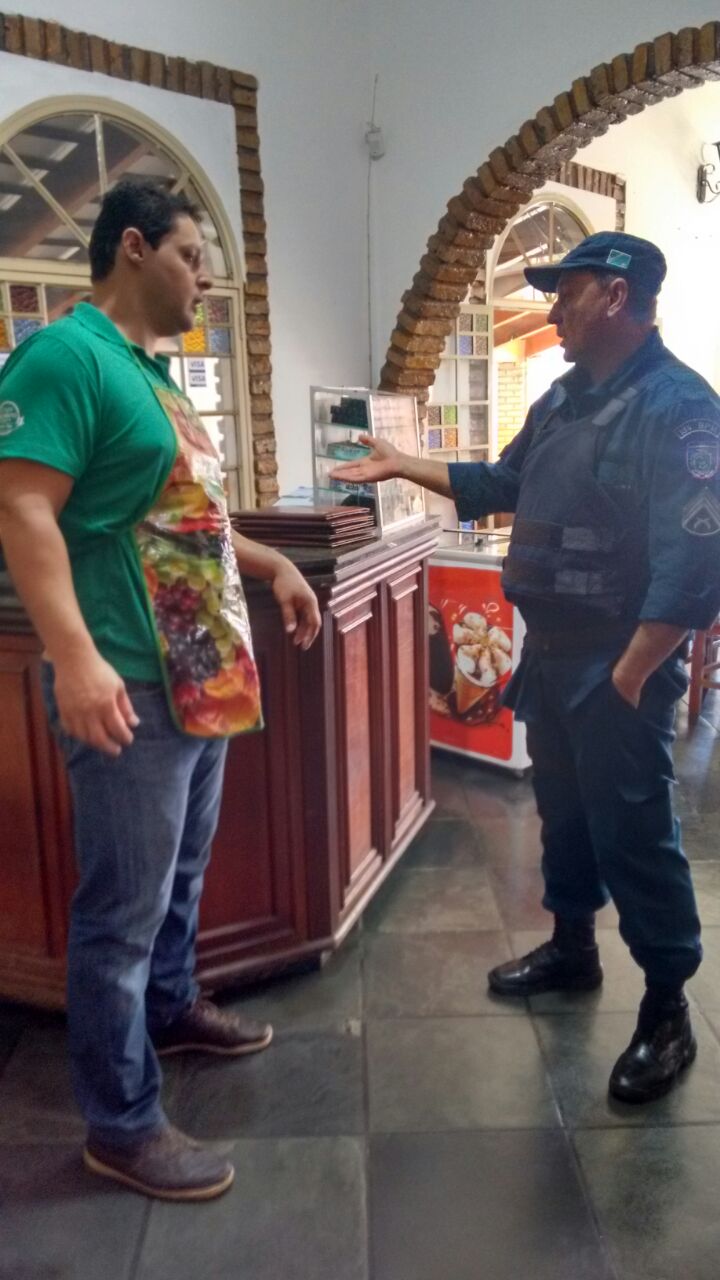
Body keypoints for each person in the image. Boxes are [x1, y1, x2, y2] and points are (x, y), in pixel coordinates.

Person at [332, 231, 720, 1105]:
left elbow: (696, 561)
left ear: (614, 297)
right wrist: (401, 464)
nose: (552, 312)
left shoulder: (682, 408)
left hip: (617, 664)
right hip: (552, 655)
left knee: (636, 833)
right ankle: (574, 949)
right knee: (565, 816)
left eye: (566, 293)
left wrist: (631, 675)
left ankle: (667, 1010)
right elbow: (499, 482)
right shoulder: (562, 400)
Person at [0, 180, 321, 1200]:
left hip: (201, 671)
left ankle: (173, 1010)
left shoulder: (156, 375)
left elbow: (193, 517)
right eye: (192, 257)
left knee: (180, 875)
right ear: (133, 248)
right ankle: (121, 1123)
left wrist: (274, 563)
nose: (205, 281)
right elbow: (20, 506)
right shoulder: (65, 356)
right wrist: (75, 657)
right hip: (126, 673)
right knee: (121, 910)